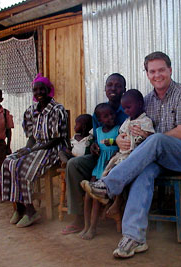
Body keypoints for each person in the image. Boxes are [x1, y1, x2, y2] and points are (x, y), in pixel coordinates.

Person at [81, 52, 181, 258]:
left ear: (170, 70)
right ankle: (134, 237)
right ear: (147, 74)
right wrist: (123, 138)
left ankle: (108, 186)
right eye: (152, 71)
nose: (157, 75)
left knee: (155, 140)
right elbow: (132, 127)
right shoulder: (146, 101)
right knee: (144, 171)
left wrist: (150, 139)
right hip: (159, 158)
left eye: (161, 70)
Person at [61, 73, 128, 235]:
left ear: (124, 90)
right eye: (109, 85)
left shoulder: (127, 109)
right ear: (105, 89)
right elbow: (95, 137)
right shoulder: (99, 111)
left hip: (121, 158)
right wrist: (93, 147)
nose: (113, 88)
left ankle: (118, 211)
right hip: (100, 157)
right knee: (73, 165)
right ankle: (79, 219)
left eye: (117, 85)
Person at [1, 74, 68, 228]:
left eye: (42, 89)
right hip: (36, 147)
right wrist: (27, 149)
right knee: (9, 162)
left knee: (23, 167)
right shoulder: (31, 111)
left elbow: (56, 139)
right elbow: (31, 137)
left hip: (53, 149)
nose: (39, 93)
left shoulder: (57, 110)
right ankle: (20, 207)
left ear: (48, 90)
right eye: (35, 90)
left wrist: (32, 150)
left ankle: (31, 211)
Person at [92, 89, 155, 217]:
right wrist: (113, 140)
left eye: (128, 107)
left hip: (135, 156)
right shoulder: (127, 121)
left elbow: (152, 139)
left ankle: (117, 202)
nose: (126, 111)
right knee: (109, 170)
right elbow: (120, 135)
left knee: (121, 172)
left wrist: (143, 133)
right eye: (124, 108)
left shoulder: (145, 121)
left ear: (139, 105)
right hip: (122, 155)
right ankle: (107, 194)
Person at [78, 103, 119, 240]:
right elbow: (96, 145)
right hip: (99, 166)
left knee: (96, 196)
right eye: (106, 116)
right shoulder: (99, 131)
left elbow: (120, 146)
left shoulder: (119, 130)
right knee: (88, 195)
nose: (110, 117)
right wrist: (94, 148)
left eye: (112, 114)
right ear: (100, 120)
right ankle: (86, 225)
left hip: (109, 167)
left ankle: (93, 228)